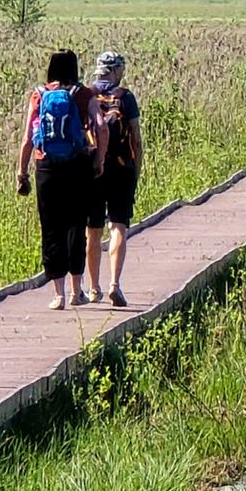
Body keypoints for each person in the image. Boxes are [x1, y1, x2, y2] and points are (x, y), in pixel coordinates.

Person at [16, 49, 108, 310]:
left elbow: (26, 139)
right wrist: (99, 160)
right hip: (77, 165)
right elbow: (101, 127)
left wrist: (22, 172)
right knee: (76, 225)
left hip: (46, 166)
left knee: (51, 227)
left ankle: (58, 294)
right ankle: (77, 290)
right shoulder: (83, 94)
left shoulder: (39, 95)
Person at [83, 50, 142, 308]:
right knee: (118, 224)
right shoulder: (125, 98)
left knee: (92, 230)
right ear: (116, 71)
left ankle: (93, 288)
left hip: (93, 170)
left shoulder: (86, 96)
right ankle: (114, 285)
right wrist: (136, 168)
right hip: (121, 169)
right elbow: (136, 139)